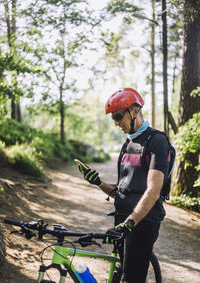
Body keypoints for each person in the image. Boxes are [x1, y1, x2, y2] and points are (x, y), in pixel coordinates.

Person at [78, 87, 171, 283]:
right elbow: (123, 191)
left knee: (132, 279)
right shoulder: (128, 145)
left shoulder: (157, 141)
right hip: (123, 221)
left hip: (142, 222)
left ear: (134, 111)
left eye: (119, 116)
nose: (116, 123)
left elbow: (153, 191)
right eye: (113, 118)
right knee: (121, 273)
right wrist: (97, 182)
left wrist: (129, 223)